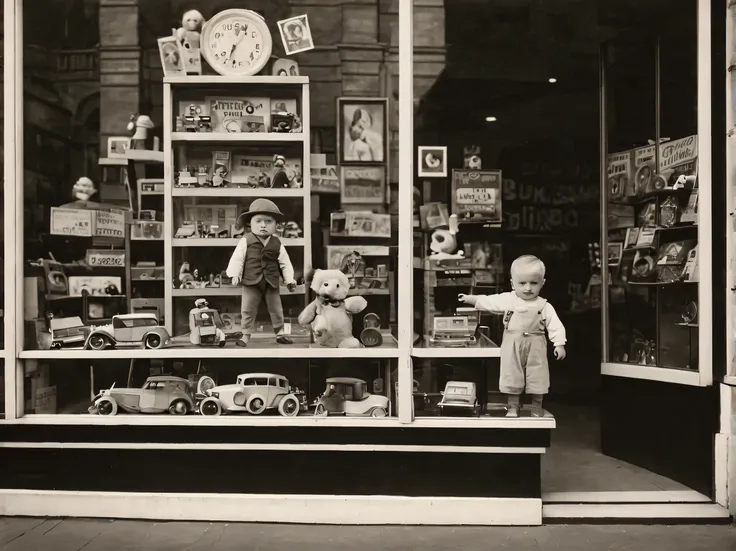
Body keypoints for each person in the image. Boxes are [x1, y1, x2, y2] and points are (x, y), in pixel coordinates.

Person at [458, 255, 566, 417]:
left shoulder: (544, 306)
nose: (528, 288)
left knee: (538, 374)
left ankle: (537, 406)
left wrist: (559, 343)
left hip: (536, 345)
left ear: (542, 283)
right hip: (512, 344)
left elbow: (555, 325)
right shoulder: (508, 300)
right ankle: (513, 406)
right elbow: (490, 301)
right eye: (522, 283)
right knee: (512, 373)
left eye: (534, 283)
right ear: (512, 283)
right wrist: (471, 299)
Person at [226, 199, 297, 347]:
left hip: (271, 282)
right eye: (258, 221)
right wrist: (235, 274)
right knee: (247, 308)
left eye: (268, 221)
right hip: (251, 281)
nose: (263, 225)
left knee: (276, 308)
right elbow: (238, 258)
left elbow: (285, 263)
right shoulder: (246, 240)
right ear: (250, 224)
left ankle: (280, 334)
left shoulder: (277, 243)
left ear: (276, 225)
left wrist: (289, 280)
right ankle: (245, 335)